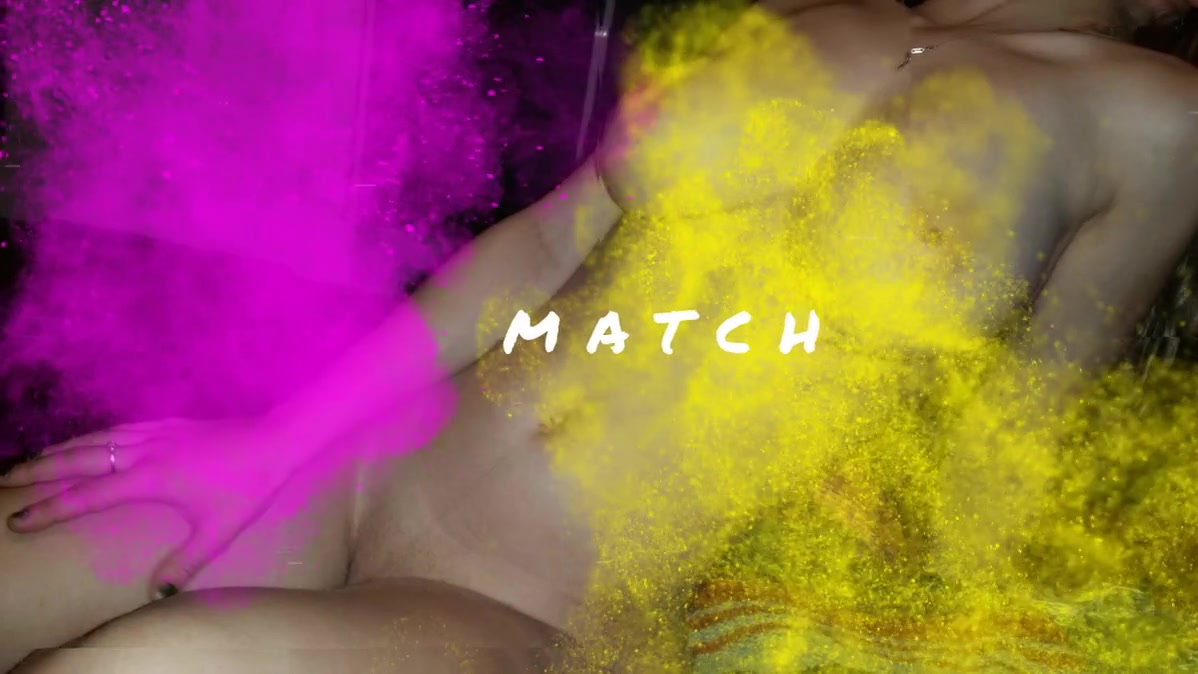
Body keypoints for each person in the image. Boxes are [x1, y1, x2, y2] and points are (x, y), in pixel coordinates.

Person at [5, 0, 1198, 670]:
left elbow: (1015, 440)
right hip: (356, 467)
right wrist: (267, 446)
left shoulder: (1157, 119)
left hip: (534, 604)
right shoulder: (803, 13)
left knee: (154, 665)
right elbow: (543, 245)